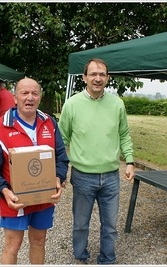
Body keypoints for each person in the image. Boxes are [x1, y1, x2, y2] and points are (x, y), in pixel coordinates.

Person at [0, 78, 69, 264]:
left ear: (40, 97)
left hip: (44, 198)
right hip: (15, 200)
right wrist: (4, 191)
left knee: (39, 241)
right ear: (15, 97)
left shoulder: (50, 123)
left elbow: (61, 158)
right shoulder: (1, 126)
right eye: (24, 93)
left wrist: (58, 178)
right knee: (12, 245)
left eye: (34, 93)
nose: (30, 98)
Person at [58, 58, 135, 264]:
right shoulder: (72, 104)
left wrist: (129, 161)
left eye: (102, 74)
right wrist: (58, 172)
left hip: (111, 176)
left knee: (110, 225)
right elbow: (61, 140)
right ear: (84, 78)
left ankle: (107, 258)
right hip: (82, 176)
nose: (97, 78)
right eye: (93, 74)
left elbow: (124, 134)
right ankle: (80, 255)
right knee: (81, 223)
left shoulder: (117, 104)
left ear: (108, 78)